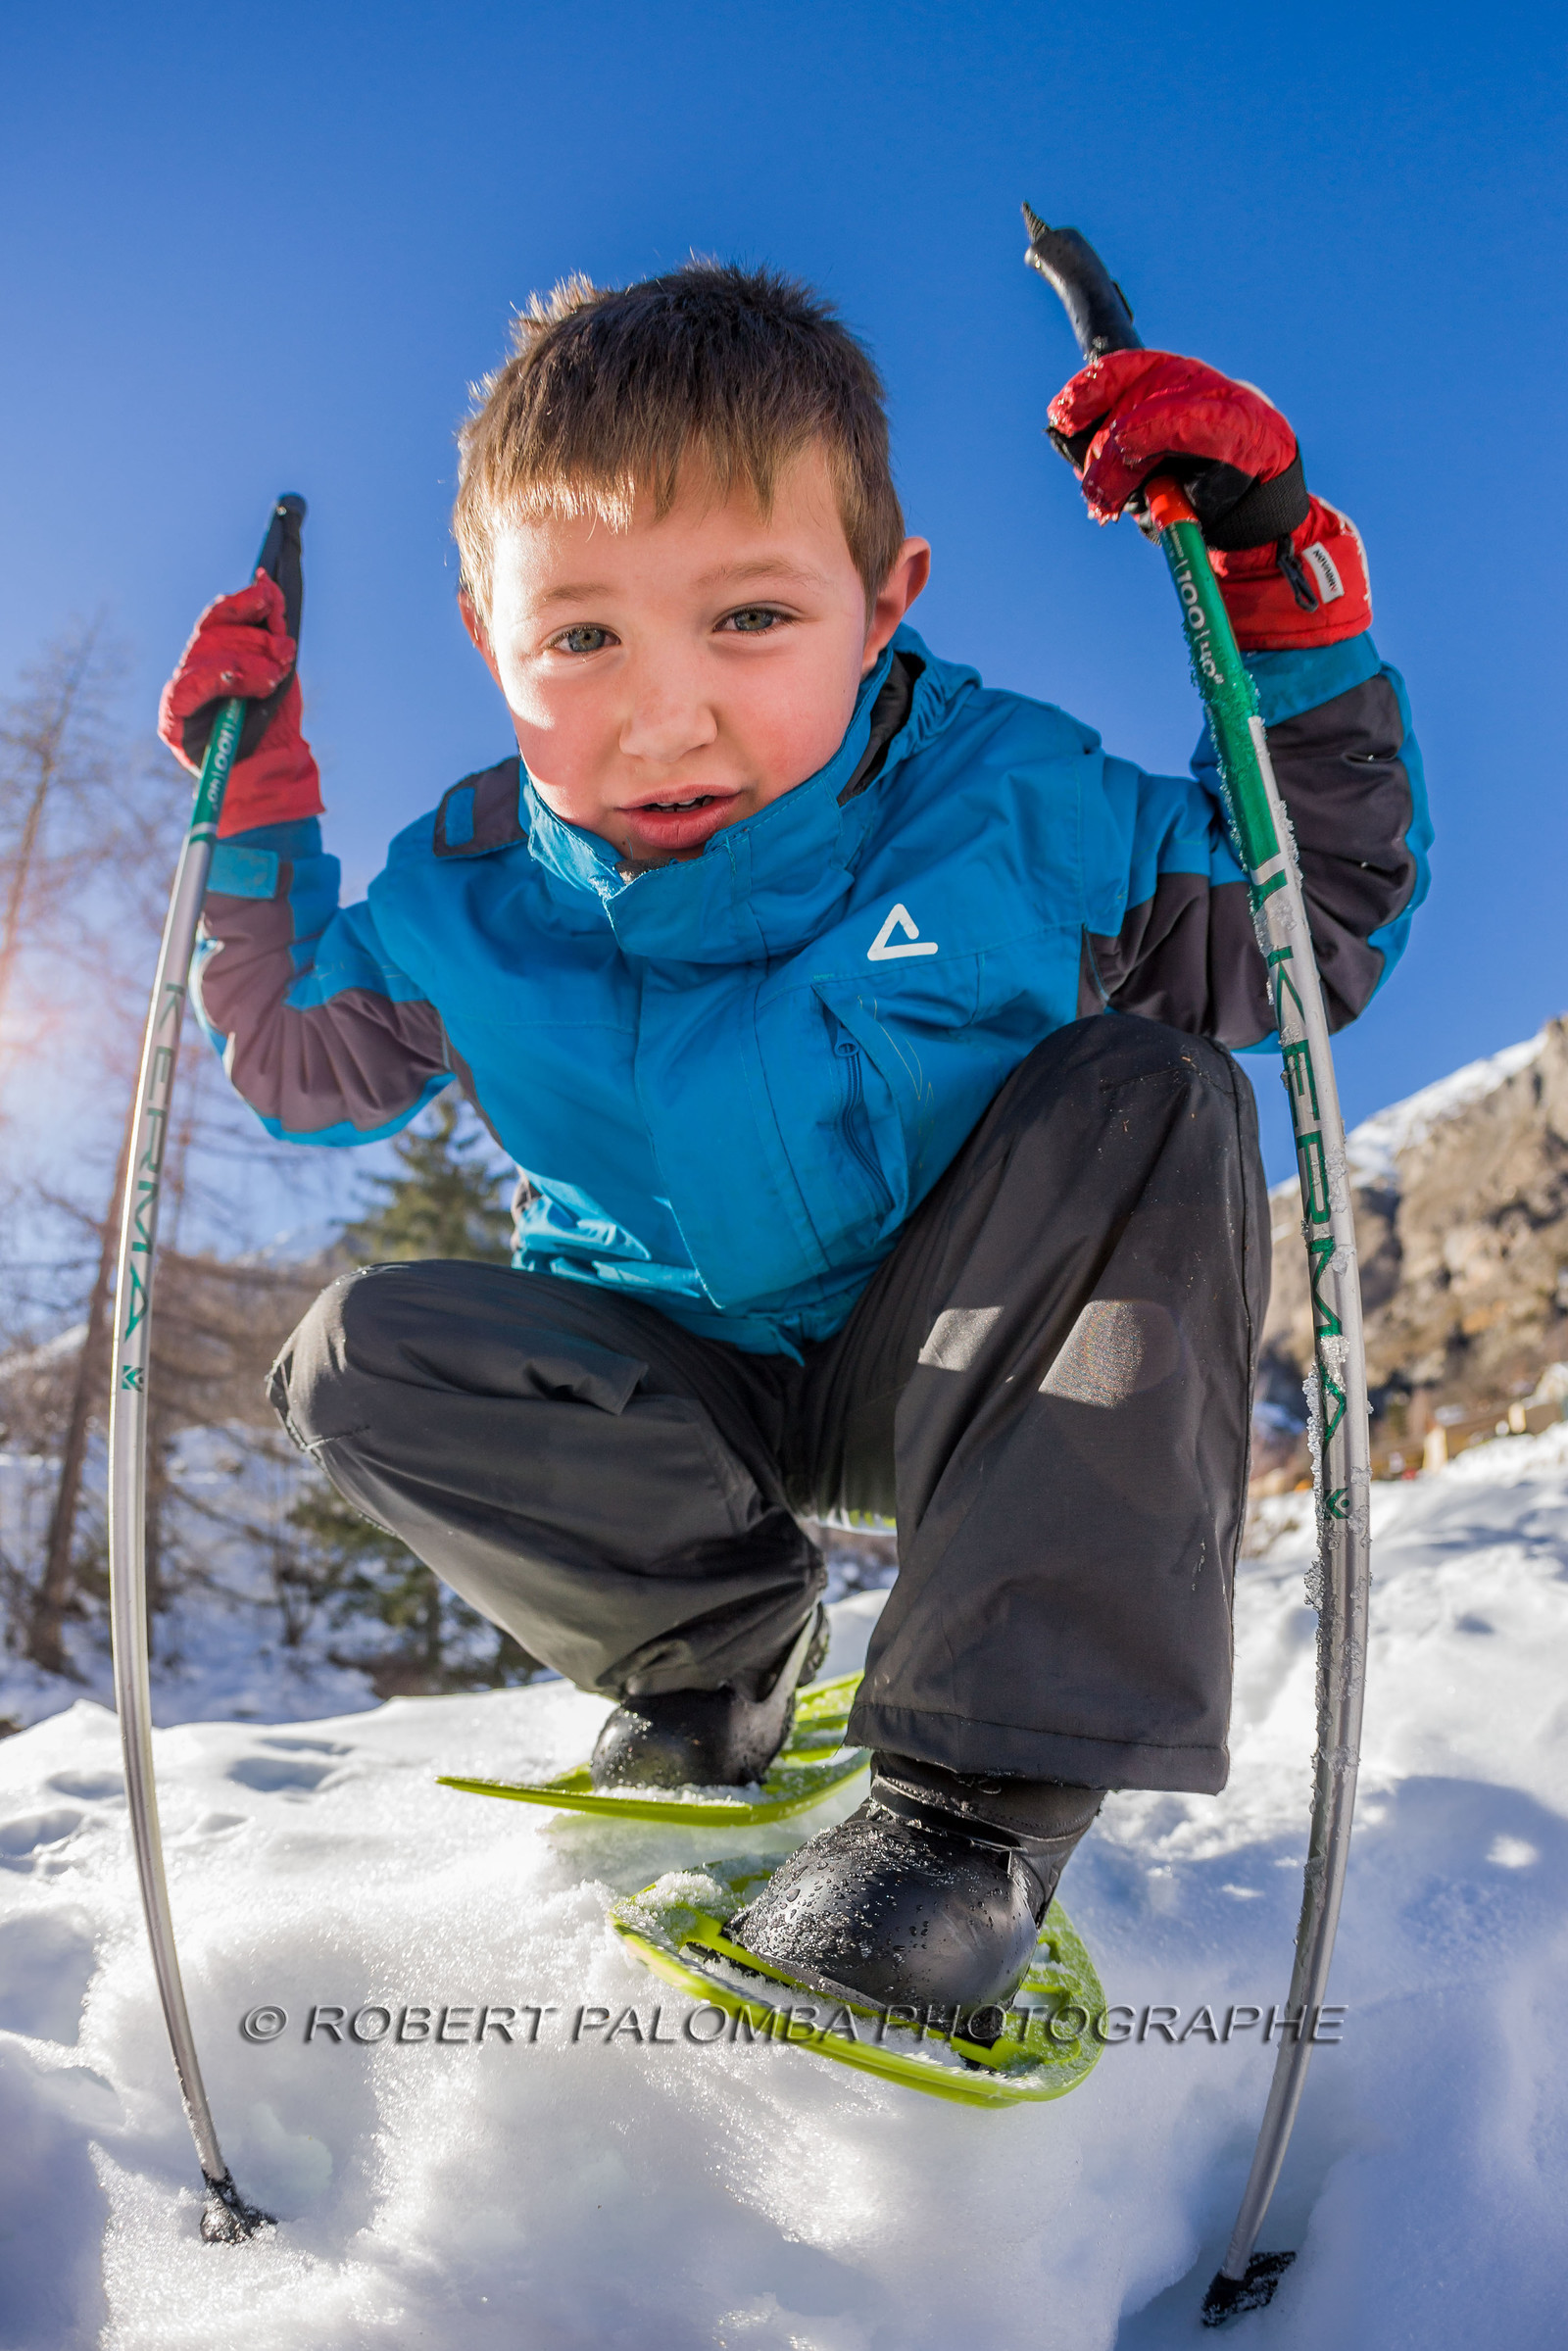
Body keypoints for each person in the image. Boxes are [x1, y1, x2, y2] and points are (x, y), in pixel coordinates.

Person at [159, 263, 1428, 2024]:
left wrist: (1275, 587)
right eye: (581, 637)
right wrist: (259, 823)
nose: (663, 715)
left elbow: (1313, 932)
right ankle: (714, 1655)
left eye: (750, 618)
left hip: (970, 1358)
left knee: (1160, 1093)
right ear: (484, 637)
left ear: (882, 599)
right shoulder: (471, 891)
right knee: (358, 1357)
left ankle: (976, 1807)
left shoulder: (1011, 801)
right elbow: (300, 1059)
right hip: (691, 1396)